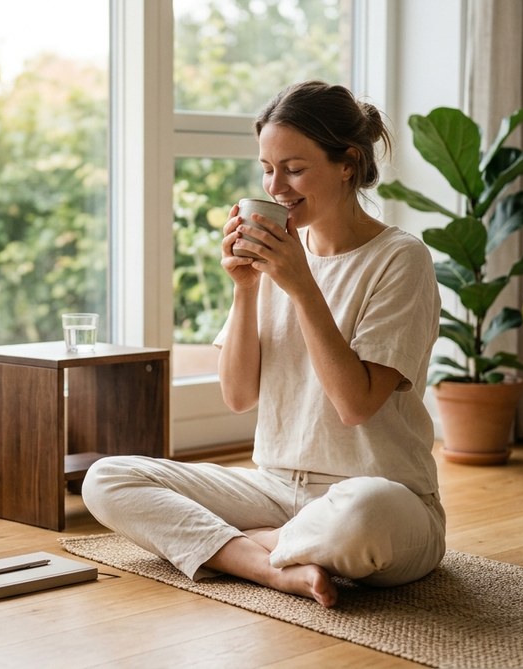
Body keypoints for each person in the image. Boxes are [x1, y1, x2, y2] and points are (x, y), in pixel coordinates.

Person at [82, 80, 443, 608]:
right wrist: (246, 289)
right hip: (273, 490)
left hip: (378, 493)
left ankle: (238, 548)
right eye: (267, 169)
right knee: (107, 478)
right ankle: (270, 565)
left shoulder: (400, 259)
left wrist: (301, 285)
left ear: (347, 163)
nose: (277, 187)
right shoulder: (277, 255)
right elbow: (237, 395)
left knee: (365, 515)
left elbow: (356, 404)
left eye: (294, 168)